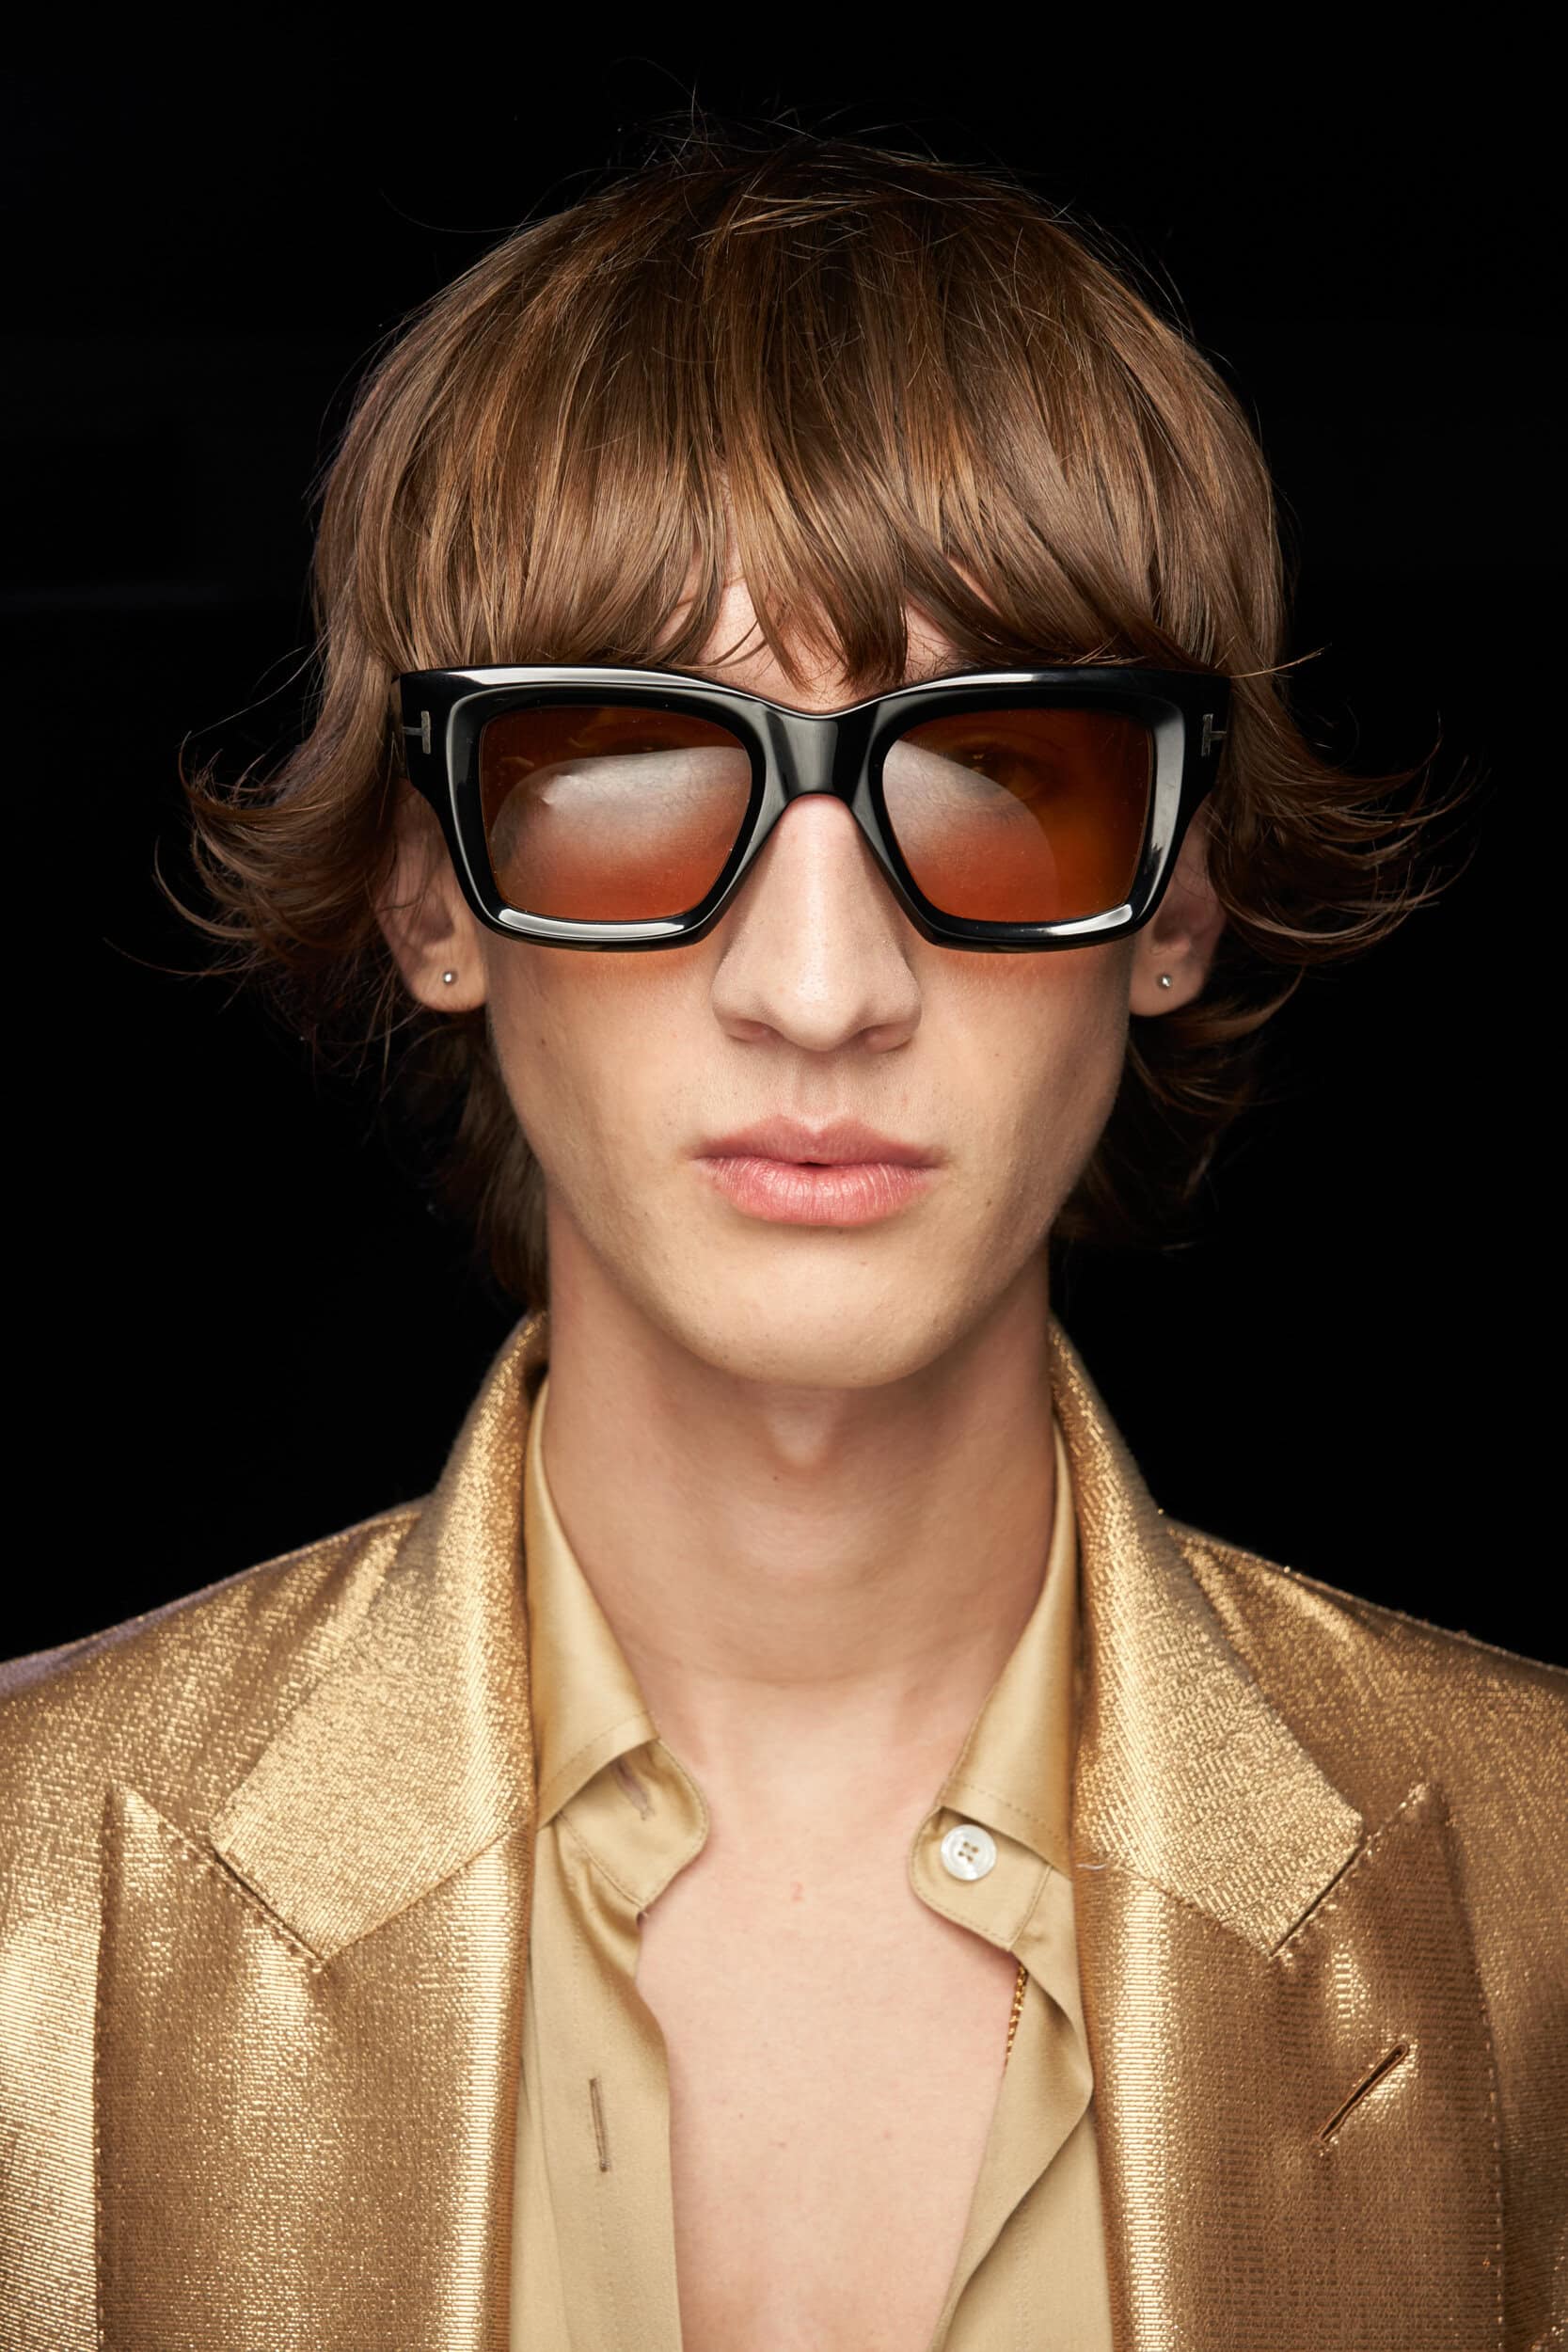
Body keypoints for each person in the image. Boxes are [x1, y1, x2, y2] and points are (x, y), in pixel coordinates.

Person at [2, 122, 1563, 2352]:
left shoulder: (1542, 1892)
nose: (818, 989)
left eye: (998, 779)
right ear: (433, 893)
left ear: (1179, 895)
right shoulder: (27, 1894)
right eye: (629, 775)